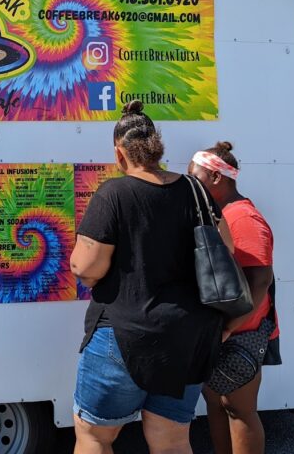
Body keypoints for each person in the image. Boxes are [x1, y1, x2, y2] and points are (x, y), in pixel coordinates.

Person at [69, 100, 228, 454]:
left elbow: (86, 269)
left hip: (123, 335)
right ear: (157, 147)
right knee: (172, 441)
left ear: (119, 153)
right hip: (187, 339)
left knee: (95, 436)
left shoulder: (113, 194)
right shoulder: (195, 190)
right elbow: (226, 249)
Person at [188, 142, 280, 454]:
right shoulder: (221, 214)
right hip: (221, 331)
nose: (191, 185)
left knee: (238, 409)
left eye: (195, 177)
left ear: (216, 177)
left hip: (242, 333)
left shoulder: (243, 217)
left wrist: (228, 328)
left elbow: (261, 280)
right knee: (217, 405)